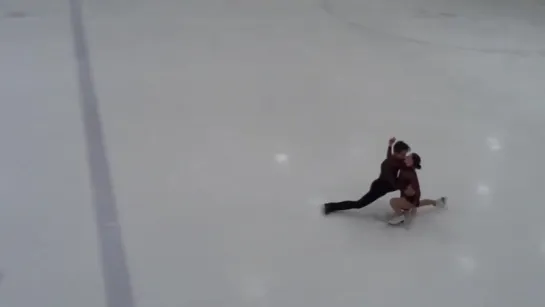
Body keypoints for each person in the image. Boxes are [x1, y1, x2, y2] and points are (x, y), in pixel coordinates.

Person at [323, 137, 410, 215]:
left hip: (382, 184)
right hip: (380, 188)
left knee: (405, 185)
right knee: (359, 204)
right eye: (403, 154)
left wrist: (390, 146)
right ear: (396, 153)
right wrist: (404, 185)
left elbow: (389, 155)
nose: (404, 157)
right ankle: (331, 206)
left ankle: (406, 204)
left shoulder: (393, 159)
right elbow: (394, 184)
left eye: (405, 154)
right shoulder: (389, 165)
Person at [387, 153, 447, 225]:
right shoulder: (405, 167)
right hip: (410, 199)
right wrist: (390, 146)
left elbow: (414, 189)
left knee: (393, 201)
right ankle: (437, 202)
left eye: (409, 157)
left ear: (412, 162)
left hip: (410, 200)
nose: (406, 156)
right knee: (416, 203)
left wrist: (413, 204)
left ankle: (401, 217)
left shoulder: (410, 173)